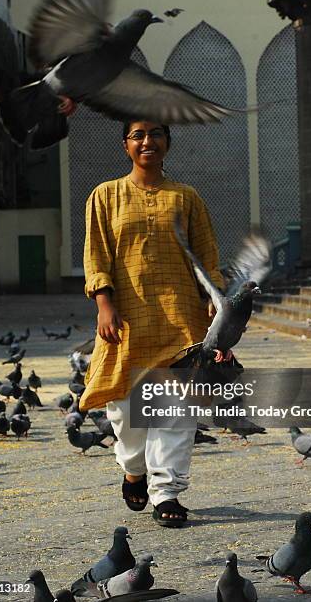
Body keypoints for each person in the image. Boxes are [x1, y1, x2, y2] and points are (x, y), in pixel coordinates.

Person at [80, 120, 224, 527]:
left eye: (156, 134)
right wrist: (103, 303)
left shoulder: (187, 197)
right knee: (125, 413)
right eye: (138, 135)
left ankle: (167, 493)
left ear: (167, 143)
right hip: (126, 321)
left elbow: (207, 253)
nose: (148, 142)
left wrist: (215, 301)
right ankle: (134, 469)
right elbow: (97, 253)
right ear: (126, 145)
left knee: (175, 411)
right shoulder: (105, 195)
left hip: (181, 319)